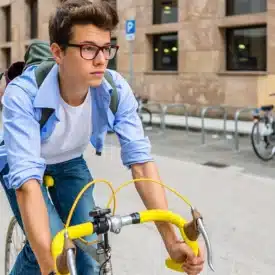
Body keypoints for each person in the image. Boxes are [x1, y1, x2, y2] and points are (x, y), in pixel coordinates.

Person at [0, 0, 205, 274]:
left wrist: (172, 241)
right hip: (22, 166)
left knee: (90, 250)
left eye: (106, 48)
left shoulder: (114, 88)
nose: (101, 59)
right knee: (53, 249)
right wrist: (50, 266)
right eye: (88, 49)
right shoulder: (23, 94)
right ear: (58, 53)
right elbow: (27, 182)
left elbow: (141, 163)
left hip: (69, 162)